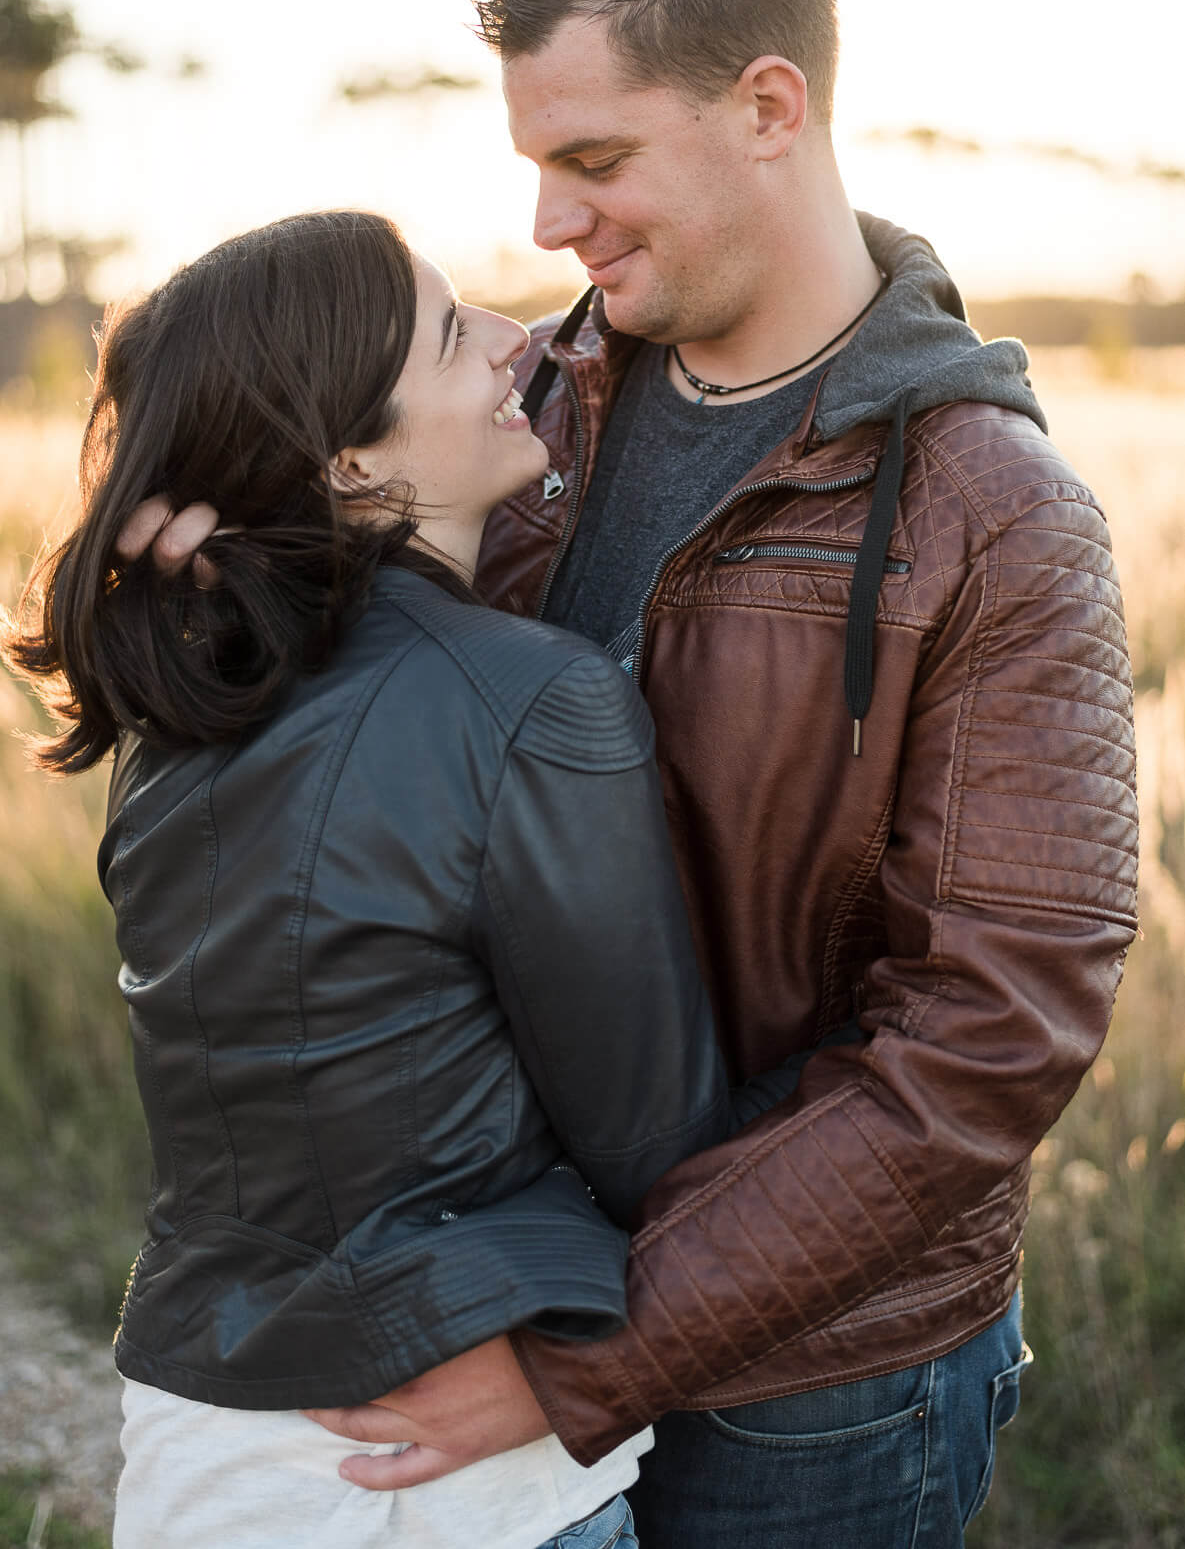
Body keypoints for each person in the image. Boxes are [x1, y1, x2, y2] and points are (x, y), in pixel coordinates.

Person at [290, 0, 1140, 1545]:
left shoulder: (998, 517)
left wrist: (600, 1344)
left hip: (822, 1389)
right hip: (491, 1286)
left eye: (595, 160)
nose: (548, 223)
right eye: (535, 166)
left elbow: (986, 1039)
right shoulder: (500, 406)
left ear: (769, 106)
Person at [6, 208, 809, 1549]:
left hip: (200, 1463)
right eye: (449, 330)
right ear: (350, 455)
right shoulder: (529, 700)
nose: (512, 340)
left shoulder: (183, 715)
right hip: (441, 1486)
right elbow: (654, 1149)